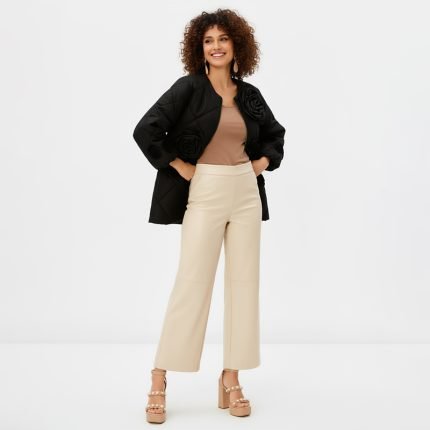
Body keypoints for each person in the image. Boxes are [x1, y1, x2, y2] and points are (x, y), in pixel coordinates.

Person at [132, 8, 286, 424]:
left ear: (237, 45)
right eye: (208, 40)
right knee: (192, 281)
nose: (216, 46)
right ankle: (159, 376)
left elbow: (275, 135)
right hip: (207, 188)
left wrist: (261, 163)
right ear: (199, 48)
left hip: (246, 192)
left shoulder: (249, 95)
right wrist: (179, 165)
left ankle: (231, 377)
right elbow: (146, 129)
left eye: (223, 39)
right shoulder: (189, 88)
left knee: (244, 285)